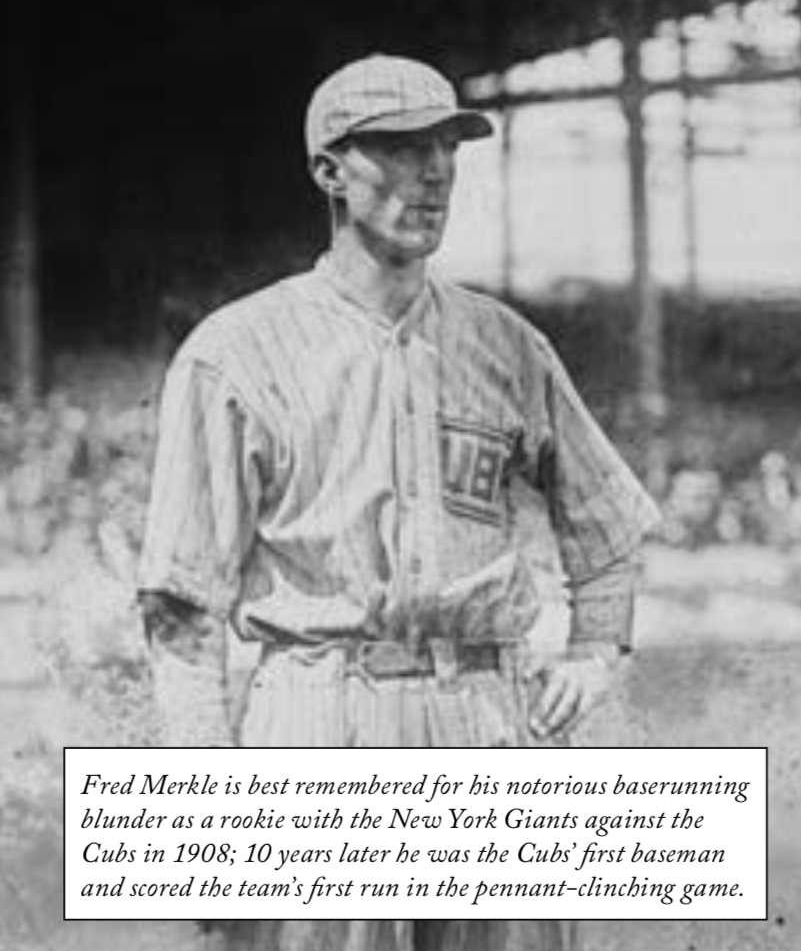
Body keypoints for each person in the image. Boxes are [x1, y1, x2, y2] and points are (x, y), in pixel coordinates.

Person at [138, 54, 660, 951]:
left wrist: (595, 649)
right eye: (400, 147)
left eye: (447, 146)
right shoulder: (238, 352)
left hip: (490, 719)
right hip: (320, 716)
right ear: (329, 171)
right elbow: (183, 610)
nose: (434, 172)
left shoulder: (507, 344)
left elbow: (605, 522)